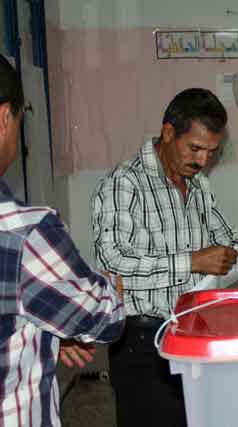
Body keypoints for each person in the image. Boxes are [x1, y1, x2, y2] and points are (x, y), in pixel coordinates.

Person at [92, 88, 238, 427]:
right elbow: (114, 266)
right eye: (195, 148)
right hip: (142, 342)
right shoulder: (124, 184)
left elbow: (222, 243)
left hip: (194, 332)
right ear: (168, 132)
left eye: (211, 153)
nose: (203, 161)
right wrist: (190, 262)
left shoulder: (198, 184)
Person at [0, 54, 125, 427]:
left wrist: (51, 327)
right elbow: (105, 318)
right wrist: (109, 290)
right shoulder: (25, 233)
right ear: (4, 118)